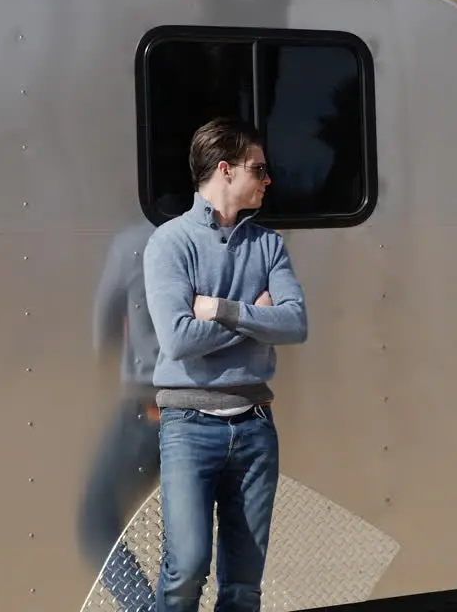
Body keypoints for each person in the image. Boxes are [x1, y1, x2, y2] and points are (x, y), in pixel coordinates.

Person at [142, 116, 309, 612]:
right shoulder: (170, 243)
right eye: (259, 168)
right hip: (188, 426)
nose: (268, 178)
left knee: (243, 585)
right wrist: (258, 316)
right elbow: (177, 338)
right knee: (185, 569)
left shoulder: (269, 245)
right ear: (225, 170)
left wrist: (221, 309)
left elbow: (296, 323)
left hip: (256, 427)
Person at [77, 194, 184, 610]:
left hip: (151, 411)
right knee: (179, 537)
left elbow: (101, 330)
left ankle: (145, 608)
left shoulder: (134, 242)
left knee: (96, 521)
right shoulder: (219, 239)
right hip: (205, 413)